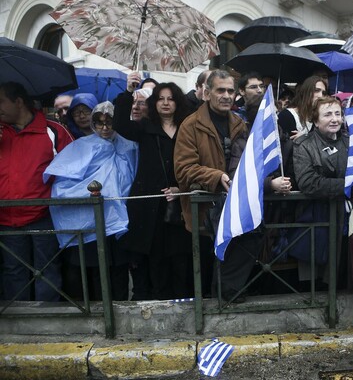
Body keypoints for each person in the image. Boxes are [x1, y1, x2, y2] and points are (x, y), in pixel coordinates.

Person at [174, 70, 260, 302]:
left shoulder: (240, 124)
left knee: (251, 236)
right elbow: (183, 169)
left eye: (231, 91)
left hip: (236, 200)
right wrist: (215, 176)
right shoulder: (190, 125)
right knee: (226, 247)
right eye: (220, 90)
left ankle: (225, 292)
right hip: (206, 204)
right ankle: (224, 294)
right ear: (206, 93)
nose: (226, 95)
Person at [44, 101, 137, 301]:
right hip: (92, 220)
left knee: (119, 269)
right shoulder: (81, 147)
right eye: (100, 123)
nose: (105, 128)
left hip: (119, 219)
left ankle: (120, 312)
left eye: (109, 123)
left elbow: (134, 177)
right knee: (95, 269)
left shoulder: (128, 146)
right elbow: (64, 183)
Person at [114, 82, 193, 300]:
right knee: (155, 256)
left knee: (180, 257)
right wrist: (128, 91)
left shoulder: (188, 128)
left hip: (180, 201)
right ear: (154, 103)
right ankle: (159, 301)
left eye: (170, 98)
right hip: (150, 205)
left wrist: (182, 188)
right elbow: (119, 123)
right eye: (161, 99)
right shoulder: (144, 127)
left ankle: (183, 302)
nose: (166, 103)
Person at [0, 82, 73, 301]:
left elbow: (75, 169)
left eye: (1, 101)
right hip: (5, 217)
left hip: (44, 216)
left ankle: (47, 324)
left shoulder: (53, 131)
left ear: (18, 102)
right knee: (13, 272)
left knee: (47, 271)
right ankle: (21, 327)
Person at [292, 96, 349, 282]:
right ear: (315, 120)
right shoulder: (304, 145)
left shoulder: (350, 141)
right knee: (317, 275)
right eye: (327, 115)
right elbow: (308, 182)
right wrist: (348, 184)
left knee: (346, 268)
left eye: (337, 114)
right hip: (318, 217)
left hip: (348, 216)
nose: (334, 119)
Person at [278, 76, 327, 140]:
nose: (320, 96)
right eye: (316, 90)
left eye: (324, 93)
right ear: (306, 92)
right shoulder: (286, 115)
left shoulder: (319, 119)